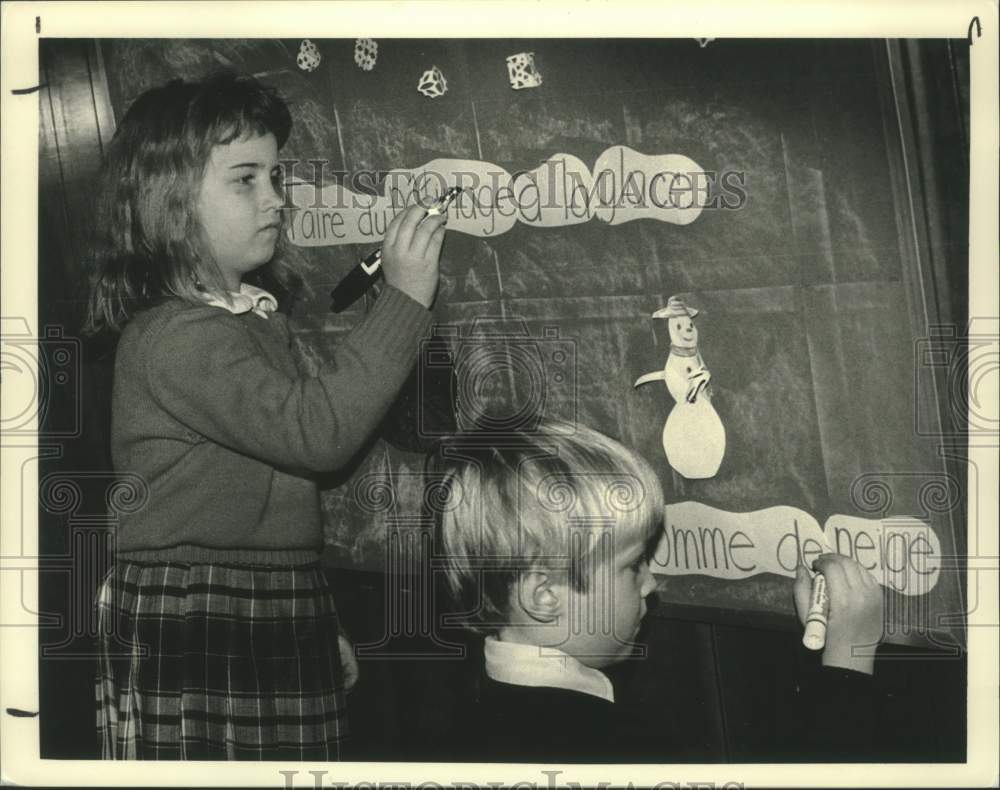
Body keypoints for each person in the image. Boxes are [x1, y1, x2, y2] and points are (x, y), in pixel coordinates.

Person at [84, 71, 447, 760]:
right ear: (169, 202)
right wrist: (402, 301)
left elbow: (278, 494)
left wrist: (317, 619)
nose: (275, 200)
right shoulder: (175, 337)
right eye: (245, 180)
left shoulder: (249, 320)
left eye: (276, 177)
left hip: (270, 596)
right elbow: (317, 435)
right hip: (199, 606)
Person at [431, 422, 884, 762]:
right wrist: (848, 661)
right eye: (632, 566)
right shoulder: (604, 746)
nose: (650, 582)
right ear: (544, 595)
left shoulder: (473, 715)